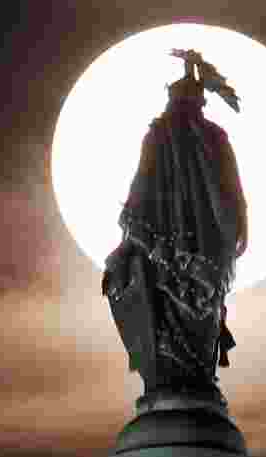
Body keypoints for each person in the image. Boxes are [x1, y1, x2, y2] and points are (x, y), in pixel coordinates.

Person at [102, 49, 248, 403]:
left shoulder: (166, 134)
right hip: (200, 251)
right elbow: (233, 199)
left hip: (172, 248)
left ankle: (185, 378)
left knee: (186, 307)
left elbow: (141, 191)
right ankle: (185, 378)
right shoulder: (208, 137)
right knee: (194, 307)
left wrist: (135, 235)